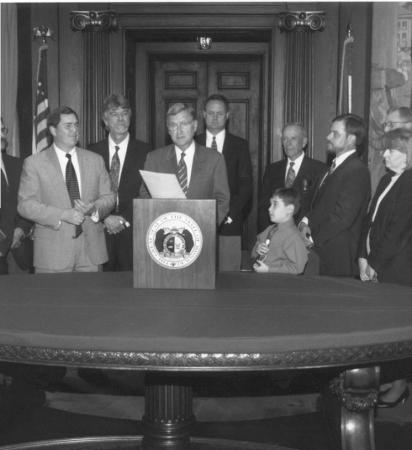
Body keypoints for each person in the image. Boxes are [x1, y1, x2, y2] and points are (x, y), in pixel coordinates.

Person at [18, 106, 115, 273]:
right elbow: (25, 205)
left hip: (91, 252)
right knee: (54, 300)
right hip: (52, 253)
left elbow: (109, 197)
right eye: (68, 126)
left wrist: (93, 208)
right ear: (53, 130)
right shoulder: (34, 163)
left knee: (93, 300)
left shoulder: (95, 160)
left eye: (76, 125)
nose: (75, 130)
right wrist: (62, 214)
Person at [359, 128, 412, 408]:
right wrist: (362, 257)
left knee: (396, 331)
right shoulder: (386, 180)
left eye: (391, 150)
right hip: (377, 263)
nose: (385, 154)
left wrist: (375, 263)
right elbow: (370, 220)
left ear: (407, 155)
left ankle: (400, 387)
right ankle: (392, 379)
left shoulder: (410, 183)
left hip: (397, 268)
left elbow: (397, 231)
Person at [299, 114, 371, 277]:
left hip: (337, 256)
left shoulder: (357, 171)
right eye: (330, 132)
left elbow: (342, 217)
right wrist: (304, 222)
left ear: (351, 139)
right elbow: (317, 205)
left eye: (335, 134)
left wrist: (311, 238)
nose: (328, 137)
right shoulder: (330, 167)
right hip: (320, 252)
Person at [88, 94, 150, 271]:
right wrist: (105, 217)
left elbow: (147, 194)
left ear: (130, 117)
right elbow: (86, 192)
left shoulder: (147, 151)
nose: (121, 118)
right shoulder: (91, 152)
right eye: (115, 114)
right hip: (99, 231)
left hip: (132, 232)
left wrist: (123, 220)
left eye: (125, 113)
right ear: (105, 120)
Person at [141, 102, 230, 225]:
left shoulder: (214, 159)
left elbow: (222, 200)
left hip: (203, 231)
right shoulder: (154, 158)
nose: (179, 130)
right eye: (173, 125)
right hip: (164, 230)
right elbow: (145, 197)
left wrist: (208, 226)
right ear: (168, 130)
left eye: (184, 124)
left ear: (194, 126)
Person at [196, 94, 253, 270]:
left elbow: (245, 185)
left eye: (219, 113)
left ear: (227, 116)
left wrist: (228, 214)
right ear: (204, 115)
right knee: (198, 271)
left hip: (230, 220)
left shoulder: (240, 145)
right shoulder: (192, 143)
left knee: (230, 277)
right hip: (196, 218)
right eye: (211, 113)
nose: (214, 117)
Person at [258, 123, 326, 232]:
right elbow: (264, 206)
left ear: (304, 142)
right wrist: (266, 234)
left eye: (293, 138)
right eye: (285, 139)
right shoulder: (272, 169)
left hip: (303, 236)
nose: (288, 143)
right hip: (275, 235)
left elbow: (320, 208)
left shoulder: (319, 170)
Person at [0, 117, 32, 274]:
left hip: (18, 250)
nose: (2, 135)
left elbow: (29, 200)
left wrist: (21, 229)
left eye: (2, 130)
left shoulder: (18, 164)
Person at [251, 187, 308, 274]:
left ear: (289, 209)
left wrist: (269, 270)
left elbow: (297, 268)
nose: (269, 209)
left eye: (275, 204)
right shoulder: (270, 229)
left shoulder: (293, 237)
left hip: (278, 283)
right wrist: (257, 249)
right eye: (270, 204)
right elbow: (255, 251)